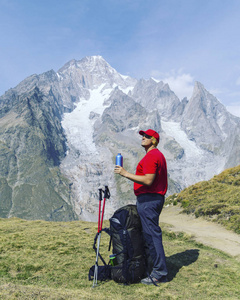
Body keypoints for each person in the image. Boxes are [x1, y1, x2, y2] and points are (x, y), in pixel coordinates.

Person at [114, 129, 168, 285]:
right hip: (151, 199)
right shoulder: (156, 155)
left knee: (152, 235)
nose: (143, 138)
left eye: (147, 136)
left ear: (154, 140)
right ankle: (153, 267)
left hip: (149, 199)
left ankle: (160, 273)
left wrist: (125, 173)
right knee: (150, 234)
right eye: (143, 136)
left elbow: (148, 180)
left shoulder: (152, 156)